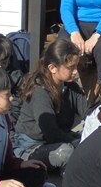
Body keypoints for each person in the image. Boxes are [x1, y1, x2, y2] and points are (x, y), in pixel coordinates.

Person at [13, 38, 87, 176]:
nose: (75, 72)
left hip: (57, 140)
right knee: (66, 152)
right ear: (52, 68)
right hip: (31, 147)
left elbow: (87, 112)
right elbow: (51, 132)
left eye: (76, 66)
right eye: (71, 67)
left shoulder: (71, 87)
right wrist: (77, 142)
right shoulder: (40, 91)